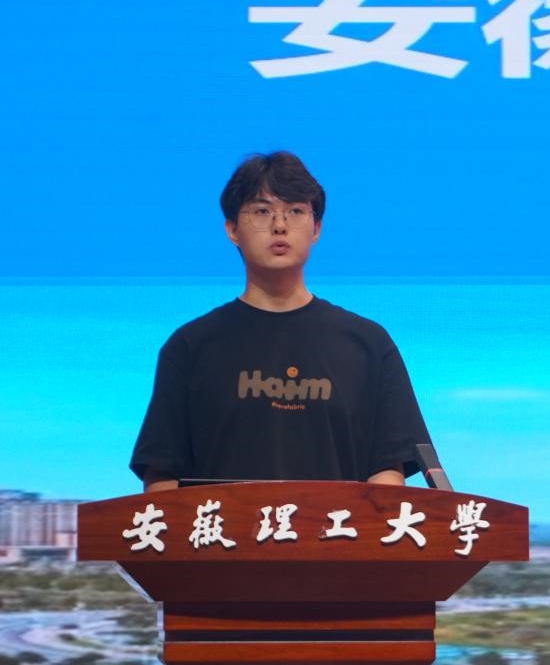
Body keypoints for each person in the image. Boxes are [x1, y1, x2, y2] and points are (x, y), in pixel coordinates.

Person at [129, 151, 431, 493]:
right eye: (262, 211)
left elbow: (387, 473)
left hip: (336, 529)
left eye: (296, 211)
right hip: (222, 529)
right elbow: (162, 475)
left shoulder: (368, 344)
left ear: (316, 229)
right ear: (232, 229)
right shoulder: (190, 346)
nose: (280, 225)